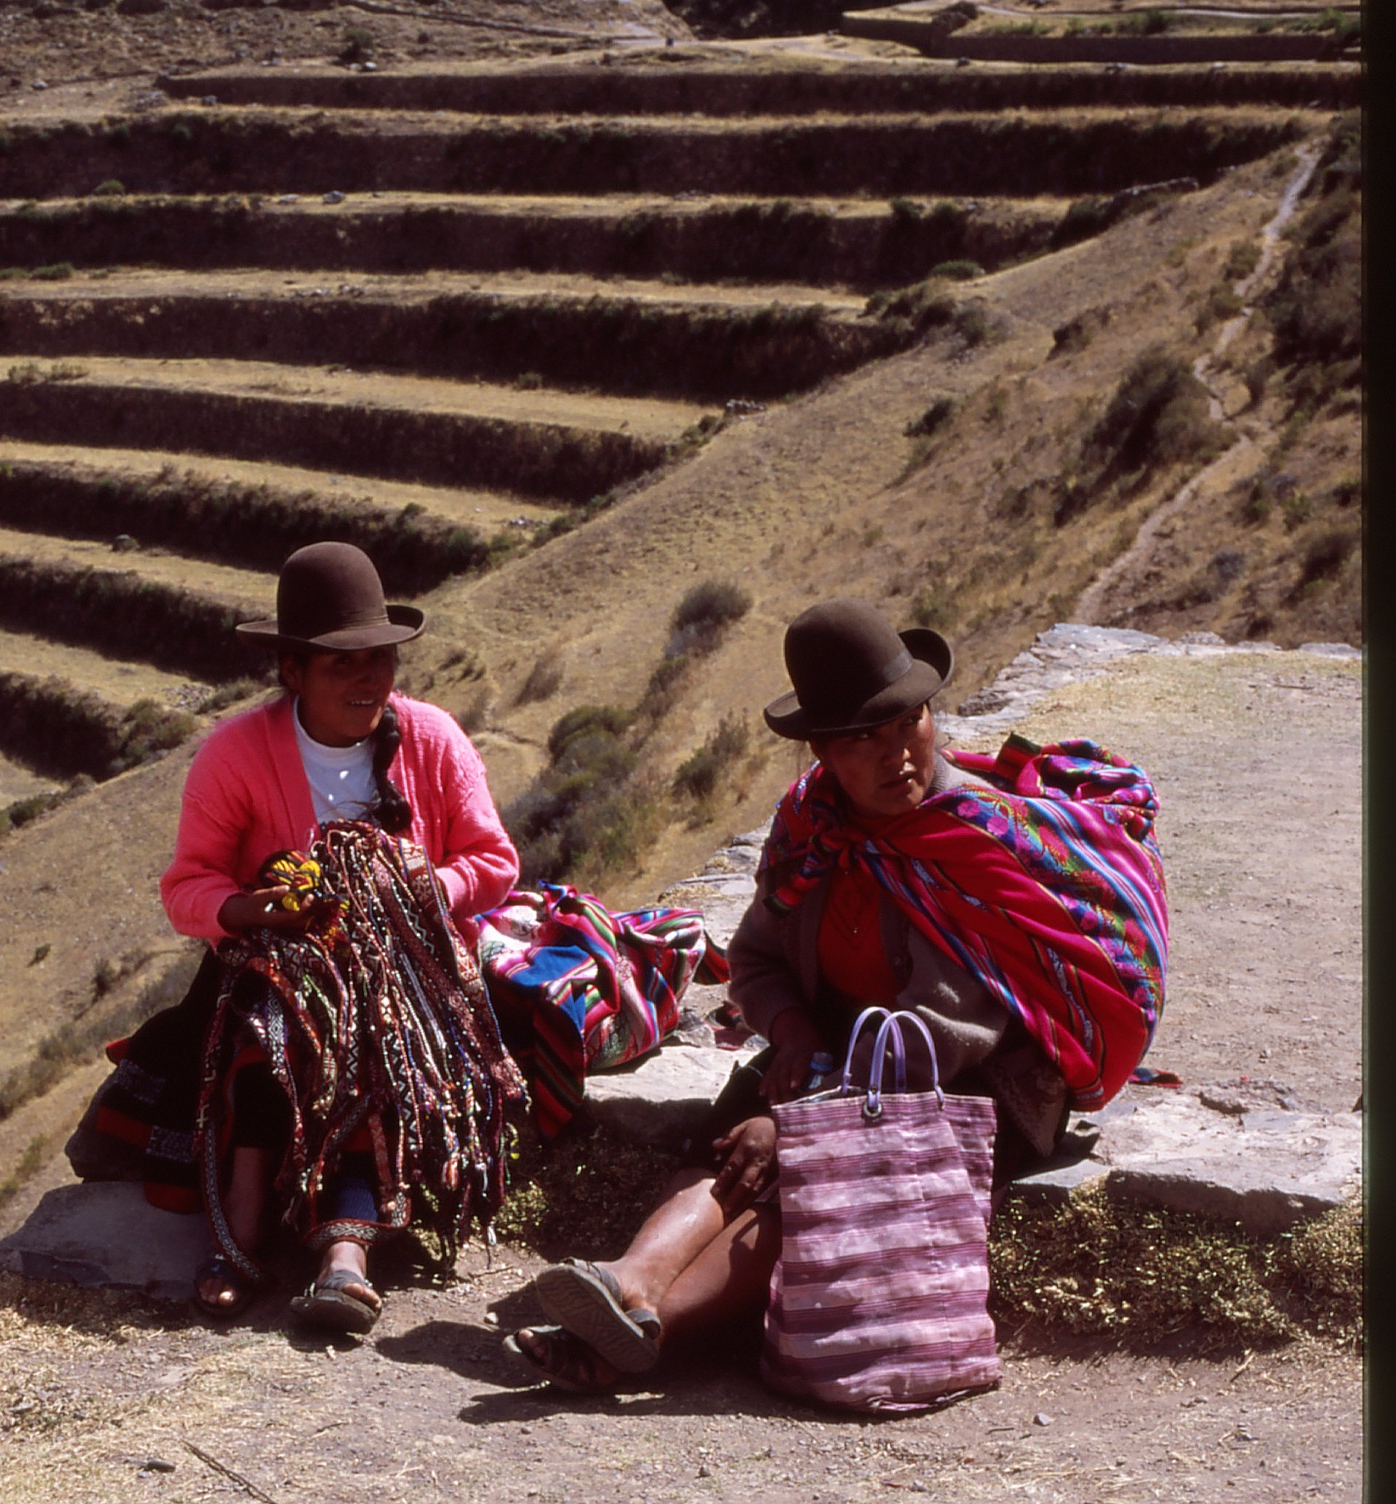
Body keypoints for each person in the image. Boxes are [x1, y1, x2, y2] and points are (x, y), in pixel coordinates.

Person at [510, 597, 1166, 1391]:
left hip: (968, 1079)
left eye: (908, 722)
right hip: (828, 1050)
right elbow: (755, 957)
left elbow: (951, 1030)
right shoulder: (811, 829)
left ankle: (645, 1333)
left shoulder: (975, 842)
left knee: (815, 1185)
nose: (898, 754)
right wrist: (790, 1034)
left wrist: (798, 1118)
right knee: (726, 1152)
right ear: (822, 751)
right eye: (863, 738)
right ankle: (630, 1280)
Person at [146, 541, 520, 1331]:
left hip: (409, 962)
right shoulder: (236, 756)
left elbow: (491, 861)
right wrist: (261, 912)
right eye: (342, 664)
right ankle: (246, 1214)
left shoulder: (431, 739)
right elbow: (188, 888)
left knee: (372, 1016)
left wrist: (406, 892)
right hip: (279, 961)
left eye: (379, 659)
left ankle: (346, 1245)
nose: (369, 680)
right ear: (292, 672)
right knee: (284, 1018)